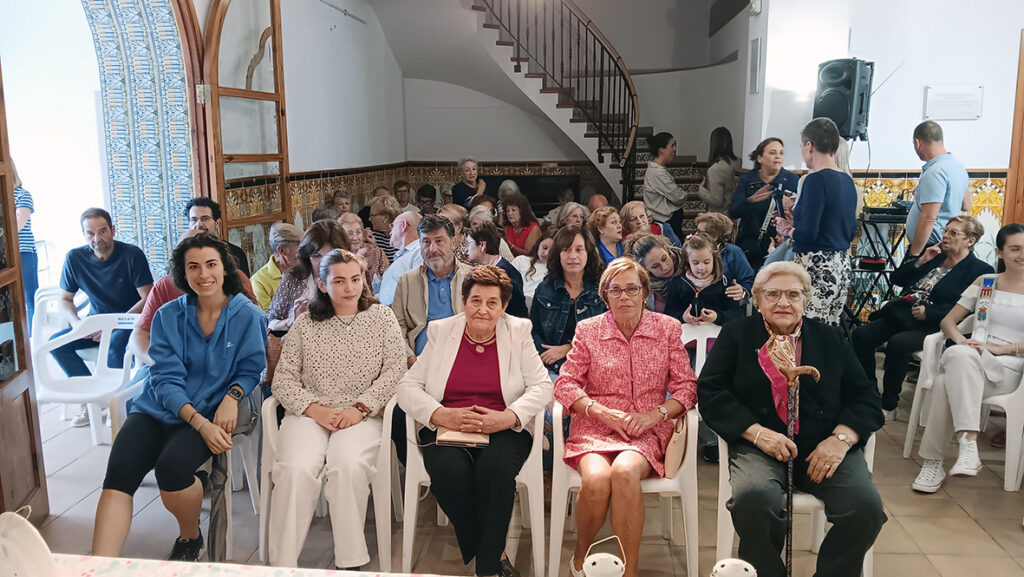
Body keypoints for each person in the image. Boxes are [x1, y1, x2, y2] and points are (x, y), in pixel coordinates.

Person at [698, 261, 885, 577]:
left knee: (865, 508)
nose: (783, 302)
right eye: (772, 294)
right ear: (757, 299)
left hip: (823, 445)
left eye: (793, 294)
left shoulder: (831, 337)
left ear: (805, 300)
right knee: (753, 500)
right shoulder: (737, 334)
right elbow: (710, 392)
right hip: (760, 444)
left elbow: (866, 397)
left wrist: (841, 439)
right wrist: (756, 433)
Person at [91, 234, 267, 561]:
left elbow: (251, 368)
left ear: (225, 268)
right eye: (193, 267)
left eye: (211, 264)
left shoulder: (249, 316)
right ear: (183, 274)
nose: (203, 274)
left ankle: (190, 537)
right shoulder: (167, 315)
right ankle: (97, 566)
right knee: (119, 474)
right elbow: (164, 380)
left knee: (171, 471)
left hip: (210, 408)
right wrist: (201, 424)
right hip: (159, 409)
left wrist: (232, 397)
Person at [397, 265, 552, 577]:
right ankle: (494, 554)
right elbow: (407, 387)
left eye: (492, 302)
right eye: (475, 300)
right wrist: (441, 414)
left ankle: (487, 568)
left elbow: (542, 386)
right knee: (448, 472)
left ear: (503, 306)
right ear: (464, 302)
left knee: (495, 472)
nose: (483, 309)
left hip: (503, 425)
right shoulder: (442, 331)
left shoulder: (518, 331)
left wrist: (508, 416)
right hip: (450, 424)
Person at [554, 258, 698, 577]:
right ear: (605, 296)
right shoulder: (589, 330)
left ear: (645, 293)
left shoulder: (666, 328)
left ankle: (628, 571)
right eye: (615, 290)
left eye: (632, 288)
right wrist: (599, 411)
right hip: (595, 427)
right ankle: (580, 558)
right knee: (596, 480)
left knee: (624, 472)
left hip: (646, 428)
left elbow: (687, 386)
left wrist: (656, 414)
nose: (624, 296)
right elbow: (565, 383)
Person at [268, 249, 405, 569]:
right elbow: (283, 379)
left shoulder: (381, 317)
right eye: (339, 281)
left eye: (355, 279)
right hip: (310, 414)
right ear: (323, 284)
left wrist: (361, 407)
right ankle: (282, 564)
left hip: (361, 415)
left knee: (347, 466)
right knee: (296, 469)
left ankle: (350, 560)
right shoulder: (305, 324)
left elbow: (396, 370)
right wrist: (313, 409)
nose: (350, 288)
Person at [911, 223, 1024, 493]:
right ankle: (966, 447)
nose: (1022, 255)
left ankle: (935, 461)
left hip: (1009, 369)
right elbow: (948, 323)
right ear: (999, 252)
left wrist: (1003, 349)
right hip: (973, 359)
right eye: (1015, 249)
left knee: (944, 380)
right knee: (958, 357)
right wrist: (963, 341)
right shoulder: (986, 283)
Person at [852, 216, 992, 420]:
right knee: (861, 335)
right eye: (946, 230)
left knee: (898, 343)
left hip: (936, 324)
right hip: (904, 315)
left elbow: (970, 310)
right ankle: (869, 393)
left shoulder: (980, 271)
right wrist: (921, 260)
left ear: (970, 241)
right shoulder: (935, 256)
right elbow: (897, 279)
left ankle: (889, 404)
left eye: (953, 233)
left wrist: (931, 312)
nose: (945, 236)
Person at [55, 208, 154, 427]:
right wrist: (77, 324)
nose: (97, 239)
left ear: (112, 230)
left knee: (116, 345)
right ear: (84, 235)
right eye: (90, 233)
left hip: (128, 322)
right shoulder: (74, 258)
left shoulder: (132, 255)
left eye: (102, 231)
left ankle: (114, 402)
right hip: (93, 325)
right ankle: (90, 399)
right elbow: (64, 299)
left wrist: (112, 326)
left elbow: (148, 298)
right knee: (57, 344)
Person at [128, 229, 257, 367]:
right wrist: (160, 362)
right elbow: (138, 336)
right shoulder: (164, 286)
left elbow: (253, 331)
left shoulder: (237, 279)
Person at [775, 118, 857, 324]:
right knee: (828, 330)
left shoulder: (815, 180)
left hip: (816, 266)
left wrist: (786, 229)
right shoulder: (847, 181)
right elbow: (849, 231)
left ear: (809, 146)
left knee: (808, 329)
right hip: (841, 265)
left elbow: (807, 234)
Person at [393, 214, 474, 368]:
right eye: (426, 242)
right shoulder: (407, 282)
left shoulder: (473, 279)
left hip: (464, 362)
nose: (433, 249)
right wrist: (410, 358)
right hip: (419, 364)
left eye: (439, 241)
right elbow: (396, 328)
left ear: (453, 242)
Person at [530, 226, 606, 376]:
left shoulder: (601, 291)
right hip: (550, 367)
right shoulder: (544, 290)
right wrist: (550, 358)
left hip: (592, 368)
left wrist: (569, 348)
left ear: (589, 253)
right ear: (557, 254)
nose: (572, 256)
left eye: (579, 250)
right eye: (566, 250)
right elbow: (533, 331)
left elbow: (607, 337)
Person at [267, 220, 351, 333]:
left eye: (331, 256)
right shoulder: (294, 278)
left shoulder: (353, 277)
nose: (323, 262)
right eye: (316, 256)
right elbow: (269, 321)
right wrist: (290, 322)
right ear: (307, 256)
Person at [729, 138, 800, 269]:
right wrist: (751, 201)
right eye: (772, 152)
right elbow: (733, 211)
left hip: (781, 245)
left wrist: (790, 207)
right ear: (760, 158)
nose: (777, 156)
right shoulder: (748, 180)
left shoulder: (792, 180)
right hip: (751, 245)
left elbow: (800, 214)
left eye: (781, 153)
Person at [907, 121, 971, 258]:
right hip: (946, 243)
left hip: (931, 247)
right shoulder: (958, 167)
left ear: (918, 143)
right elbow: (966, 205)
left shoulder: (935, 172)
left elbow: (929, 218)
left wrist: (914, 255)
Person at [467, 221, 528, 318]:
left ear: (482, 245)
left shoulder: (501, 274)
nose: (466, 249)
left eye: (469, 244)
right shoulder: (498, 266)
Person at [185, 197, 251, 276]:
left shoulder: (235, 253)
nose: (199, 225)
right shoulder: (183, 254)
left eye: (205, 219)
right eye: (194, 220)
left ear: (217, 223)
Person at [695, 212, 754, 299]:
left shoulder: (733, 252)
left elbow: (749, 280)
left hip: (725, 302)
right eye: (696, 231)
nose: (696, 235)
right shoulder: (692, 251)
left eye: (700, 232)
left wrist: (742, 290)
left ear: (714, 236)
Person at [643, 132, 687, 236]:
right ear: (661, 149)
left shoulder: (658, 170)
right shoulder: (658, 173)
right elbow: (678, 197)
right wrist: (684, 194)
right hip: (667, 221)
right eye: (672, 145)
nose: (675, 149)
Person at [251, 222, 302, 312]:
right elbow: (265, 318)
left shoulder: (304, 269)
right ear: (282, 250)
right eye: (299, 250)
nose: (303, 254)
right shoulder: (259, 282)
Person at [11, 163, 38, 330]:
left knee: (30, 297)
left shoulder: (23, 195)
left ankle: (33, 337)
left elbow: (17, 225)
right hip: (6, 256)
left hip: (24, 252)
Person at [376, 211, 423, 306]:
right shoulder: (406, 255)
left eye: (392, 226)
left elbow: (418, 289)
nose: (390, 232)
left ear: (403, 225)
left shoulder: (419, 251)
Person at [339, 212, 388, 292]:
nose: (355, 238)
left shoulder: (376, 252)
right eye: (350, 234)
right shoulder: (338, 256)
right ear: (341, 236)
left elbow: (387, 279)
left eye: (358, 232)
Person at [697, 126, 740, 215]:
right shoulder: (738, 162)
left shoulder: (716, 169)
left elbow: (717, 201)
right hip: (734, 214)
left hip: (720, 217)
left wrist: (701, 191)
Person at [512, 228, 554, 307]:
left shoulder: (556, 270)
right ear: (538, 244)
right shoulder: (521, 260)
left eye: (552, 251)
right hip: (516, 302)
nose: (546, 253)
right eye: (544, 247)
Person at [502, 192, 541, 257]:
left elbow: (528, 254)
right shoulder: (506, 227)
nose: (509, 213)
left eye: (513, 210)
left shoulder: (533, 228)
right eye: (507, 210)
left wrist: (510, 245)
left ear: (522, 211)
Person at [368, 194, 401, 263]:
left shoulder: (403, 236)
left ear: (385, 217)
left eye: (372, 216)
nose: (369, 219)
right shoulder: (371, 237)